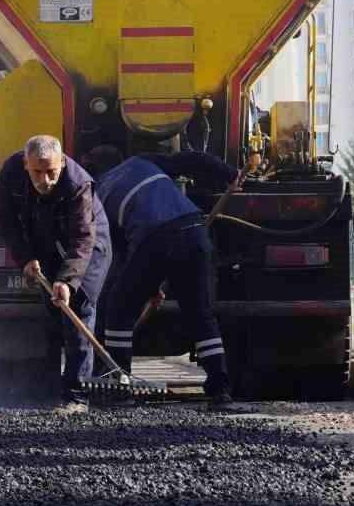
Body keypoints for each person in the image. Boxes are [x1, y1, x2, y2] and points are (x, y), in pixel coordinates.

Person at [80, 144, 241, 405]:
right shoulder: (140, 161)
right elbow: (190, 159)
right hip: (195, 228)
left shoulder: (98, 195)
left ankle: (118, 386)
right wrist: (230, 173)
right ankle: (220, 388)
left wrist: (146, 288)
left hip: (153, 238)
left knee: (119, 308)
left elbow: (121, 254)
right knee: (199, 312)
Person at [0, 134, 112, 412]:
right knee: (54, 314)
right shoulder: (11, 171)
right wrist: (25, 258)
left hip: (88, 248)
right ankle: (48, 389)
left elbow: (83, 238)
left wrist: (68, 281)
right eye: (37, 172)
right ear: (25, 164)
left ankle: (76, 397)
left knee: (78, 311)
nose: (44, 180)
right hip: (45, 238)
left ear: (61, 163)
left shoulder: (78, 183)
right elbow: (5, 221)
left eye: (51, 172)